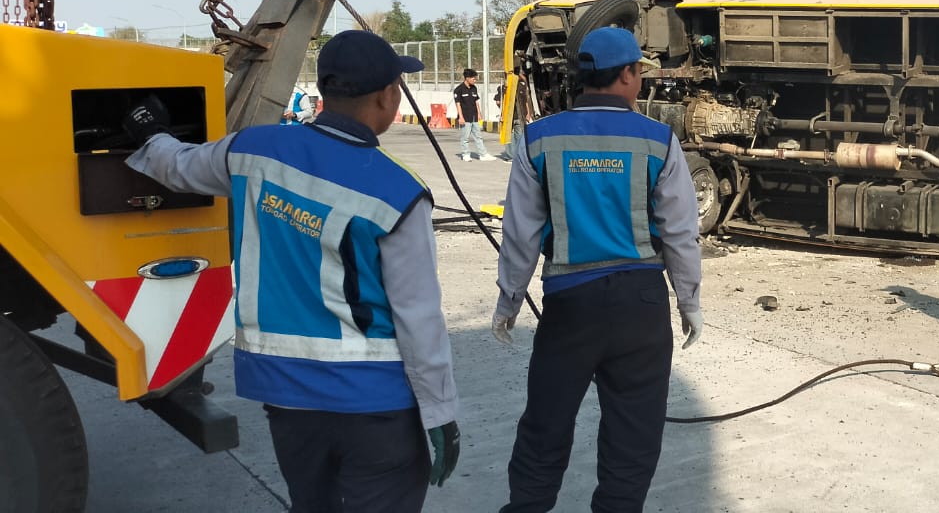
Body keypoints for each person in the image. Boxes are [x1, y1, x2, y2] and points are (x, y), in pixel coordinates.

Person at [121, 29, 461, 511]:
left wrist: (148, 131)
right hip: (375, 403)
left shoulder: (251, 152)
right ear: (388, 97)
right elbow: (419, 316)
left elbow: (179, 166)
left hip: (286, 398)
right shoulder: (398, 191)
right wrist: (440, 412)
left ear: (325, 91)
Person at [491, 26, 703, 513]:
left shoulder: (539, 138)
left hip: (570, 304)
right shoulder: (659, 140)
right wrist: (688, 301)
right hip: (641, 306)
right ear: (628, 74)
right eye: (639, 73)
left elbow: (521, 234)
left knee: (546, 422)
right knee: (634, 432)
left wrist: (508, 301)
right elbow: (680, 234)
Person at [454, 67, 492, 161]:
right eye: (473, 78)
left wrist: (479, 113)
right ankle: (465, 154)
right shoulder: (459, 90)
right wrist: (461, 117)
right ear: (467, 78)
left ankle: (483, 154)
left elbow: (476, 102)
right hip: (465, 117)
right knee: (465, 137)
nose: (475, 80)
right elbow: (458, 104)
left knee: (478, 136)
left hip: (474, 116)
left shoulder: (474, 88)